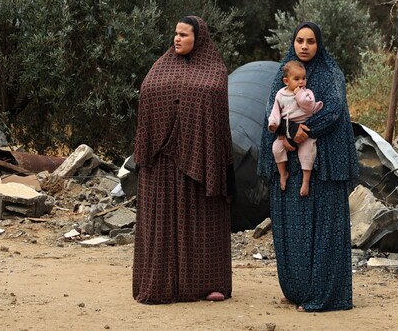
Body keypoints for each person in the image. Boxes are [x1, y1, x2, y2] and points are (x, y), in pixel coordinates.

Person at [257, 21, 360, 312]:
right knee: (292, 227)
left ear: (319, 44)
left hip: (323, 164)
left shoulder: (330, 74)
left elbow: (334, 108)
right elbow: (271, 108)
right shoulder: (283, 71)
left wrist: (307, 130)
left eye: (311, 41)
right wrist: (287, 135)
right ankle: (297, 289)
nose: (304, 46)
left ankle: (325, 295)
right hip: (288, 159)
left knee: (322, 228)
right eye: (300, 40)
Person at [132, 16, 233, 304]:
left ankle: (209, 284)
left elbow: (216, 117)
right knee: (162, 222)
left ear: (198, 38)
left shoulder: (215, 72)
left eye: (184, 35)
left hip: (202, 162)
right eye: (175, 34)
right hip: (161, 162)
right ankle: (161, 283)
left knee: (202, 222)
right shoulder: (159, 68)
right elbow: (149, 96)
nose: (177, 39)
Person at [267, 60, 323, 196]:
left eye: (303, 78)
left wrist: (299, 94)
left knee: (308, 152)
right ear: (286, 81)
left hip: (304, 127)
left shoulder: (307, 93)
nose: (301, 82)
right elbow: (275, 110)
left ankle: (305, 181)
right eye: (296, 79)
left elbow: (309, 106)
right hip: (286, 128)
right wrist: (273, 123)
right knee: (276, 148)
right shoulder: (280, 94)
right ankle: (283, 173)